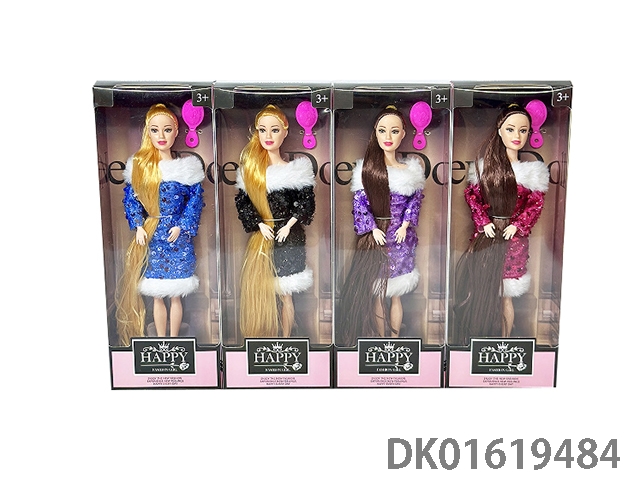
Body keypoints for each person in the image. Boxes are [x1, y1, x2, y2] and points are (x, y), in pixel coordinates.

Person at [453, 103, 549, 344]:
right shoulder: (486, 169)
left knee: (507, 293)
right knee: (484, 291)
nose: (517, 136)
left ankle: (504, 341)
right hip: (487, 237)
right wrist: (483, 221)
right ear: (499, 130)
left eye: (523, 130)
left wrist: (518, 225)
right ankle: (482, 336)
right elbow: (472, 197)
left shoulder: (532, 173)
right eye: (510, 129)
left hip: (513, 241)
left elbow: (535, 205)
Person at [115, 103, 205, 346]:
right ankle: (161, 340)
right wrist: (139, 226)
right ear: (148, 132)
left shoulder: (186, 170)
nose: (161, 136)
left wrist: (182, 226)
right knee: (156, 294)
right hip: (153, 236)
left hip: (178, 238)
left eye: (167, 129)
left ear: (176, 132)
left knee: (176, 294)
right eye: (155, 130)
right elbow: (132, 199)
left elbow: (195, 201)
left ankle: (174, 340)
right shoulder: (141, 168)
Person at [337, 106, 425, 346]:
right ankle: (381, 339)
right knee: (377, 292)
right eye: (382, 130)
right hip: (376, 239)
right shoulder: (367, 171)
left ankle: (394, 340)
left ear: (403, 134)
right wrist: (372, 228)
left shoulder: (410, 172)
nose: (388, 137)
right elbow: (360, 203)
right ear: (375, 132)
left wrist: (405, 225)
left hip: (400, 239)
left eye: (394, 131)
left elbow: (415, 201)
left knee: (396, 294)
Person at [235, 104, 316, 338]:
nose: (268, 136)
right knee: (264, 291)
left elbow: (306, 203)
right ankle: (266, 335)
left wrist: (289, 225)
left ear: (285, 132)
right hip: (264, 238)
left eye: (274, 130)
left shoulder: (296, 171)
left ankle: (287, 338)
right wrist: (259, 224)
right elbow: (243, 203)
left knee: (286, 292)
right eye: (262, 130)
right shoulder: (252, 173)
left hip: (289, 240)